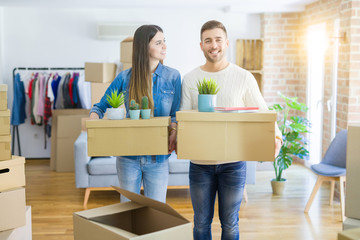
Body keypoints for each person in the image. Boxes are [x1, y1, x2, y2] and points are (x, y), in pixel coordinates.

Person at [180, 20, 282, 240]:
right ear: (201, 45)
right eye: (208, 40)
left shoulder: (243, 77)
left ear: (226, 43)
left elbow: (263, 113)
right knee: (200, 224)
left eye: (218, 40)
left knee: (230, 225)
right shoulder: (190, 79)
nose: (213, 45)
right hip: (200, 164)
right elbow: (183, 120)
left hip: (234, 164)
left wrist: (277, 137)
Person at [89, 25, 181, 203]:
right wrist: (94, 123)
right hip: (127, 157)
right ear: (143, 47)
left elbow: (176, 114)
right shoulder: (124, 78)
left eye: (164, 42)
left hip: (158, 158)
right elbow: (100, 107)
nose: (165, 47)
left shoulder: (173, 77)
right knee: (128, 212)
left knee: (156, 212)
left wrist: (175, 131)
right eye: (159, 42)